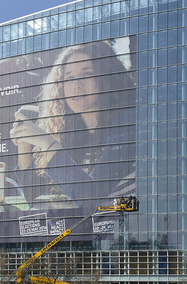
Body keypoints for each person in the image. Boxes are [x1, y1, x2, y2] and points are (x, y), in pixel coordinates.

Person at [9, 40, 136, 203]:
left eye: (87, 74)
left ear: (107, 77)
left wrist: (48, 143)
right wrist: (25, 142)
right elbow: (36, 196)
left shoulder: (127, 122)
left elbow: (91, 197)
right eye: (69, 78)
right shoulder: (73, 134)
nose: (76, 85)